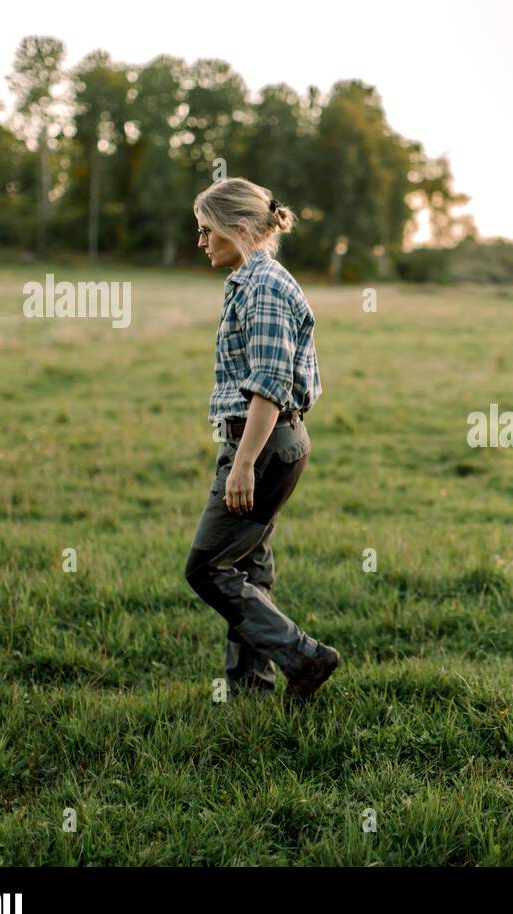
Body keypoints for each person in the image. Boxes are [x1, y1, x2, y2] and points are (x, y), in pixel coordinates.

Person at [184, 176, 339, 706]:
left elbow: (269, 385)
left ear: (242, 229)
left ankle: (304, 656)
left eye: (208, 231)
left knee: (206, 569)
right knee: (247, 566)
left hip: (265, 445)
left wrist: (243, 463)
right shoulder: (248, 281)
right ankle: (250, 690)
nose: (201, 242)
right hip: (270, 443)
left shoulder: (267, 287)